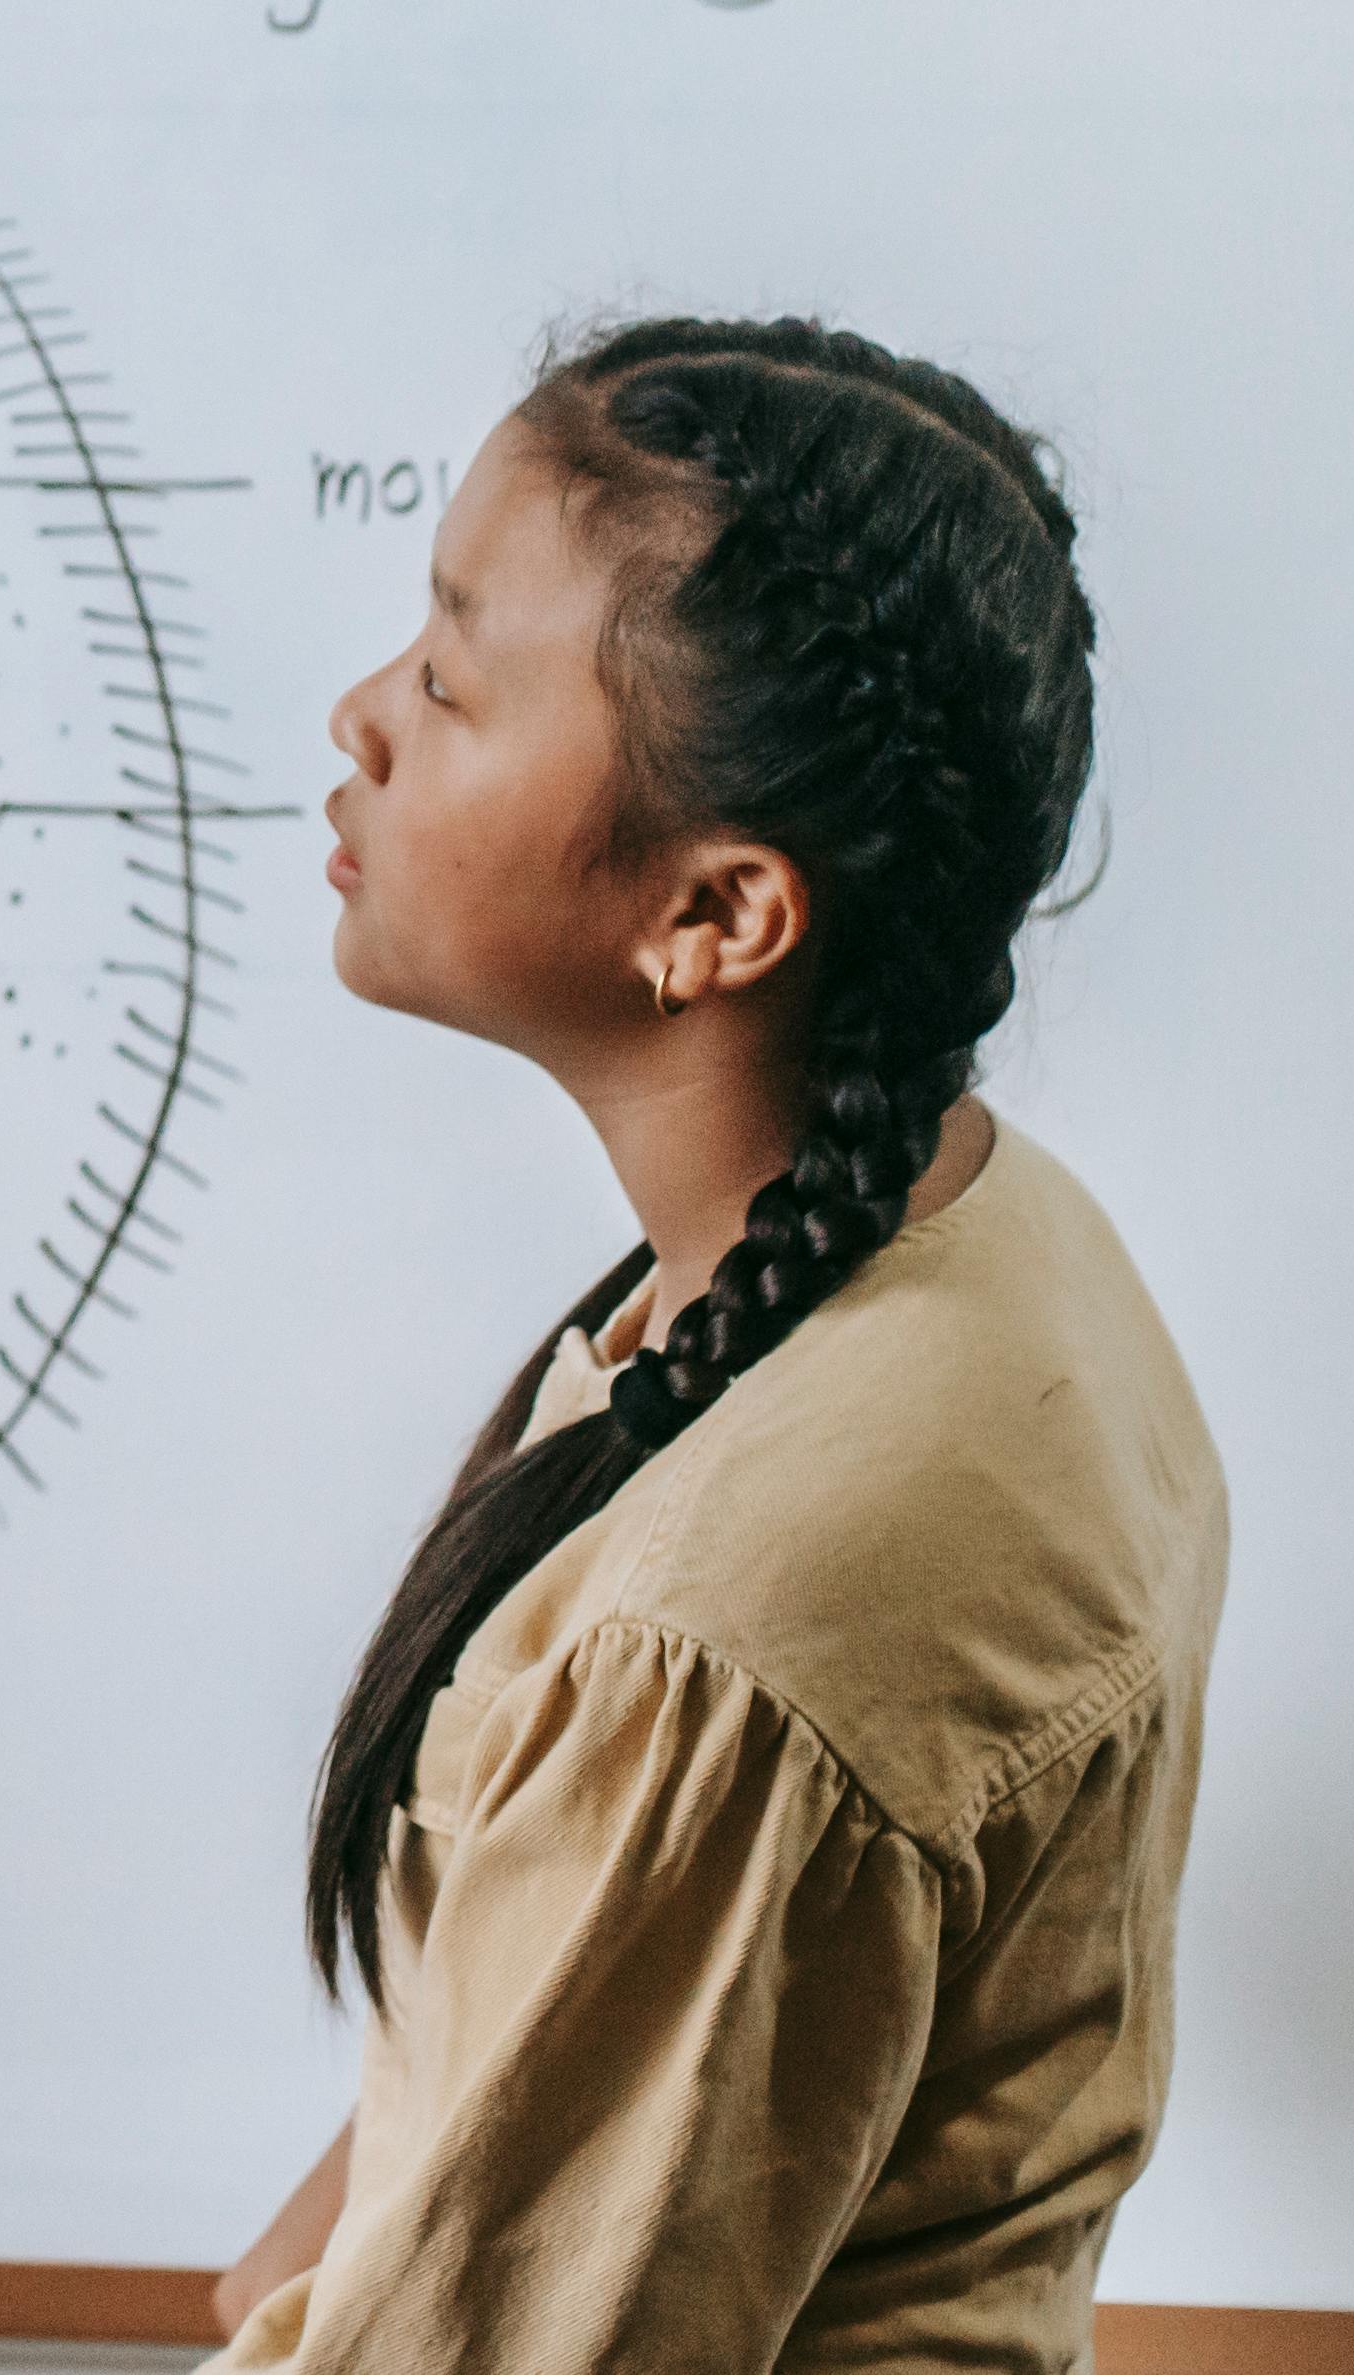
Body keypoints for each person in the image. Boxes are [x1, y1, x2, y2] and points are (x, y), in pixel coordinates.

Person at [207, 319, 1224, 2372]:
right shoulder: (970, 1232)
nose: (358, 716)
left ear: (716, 919)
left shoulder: (728, 1634)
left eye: (446, 680)